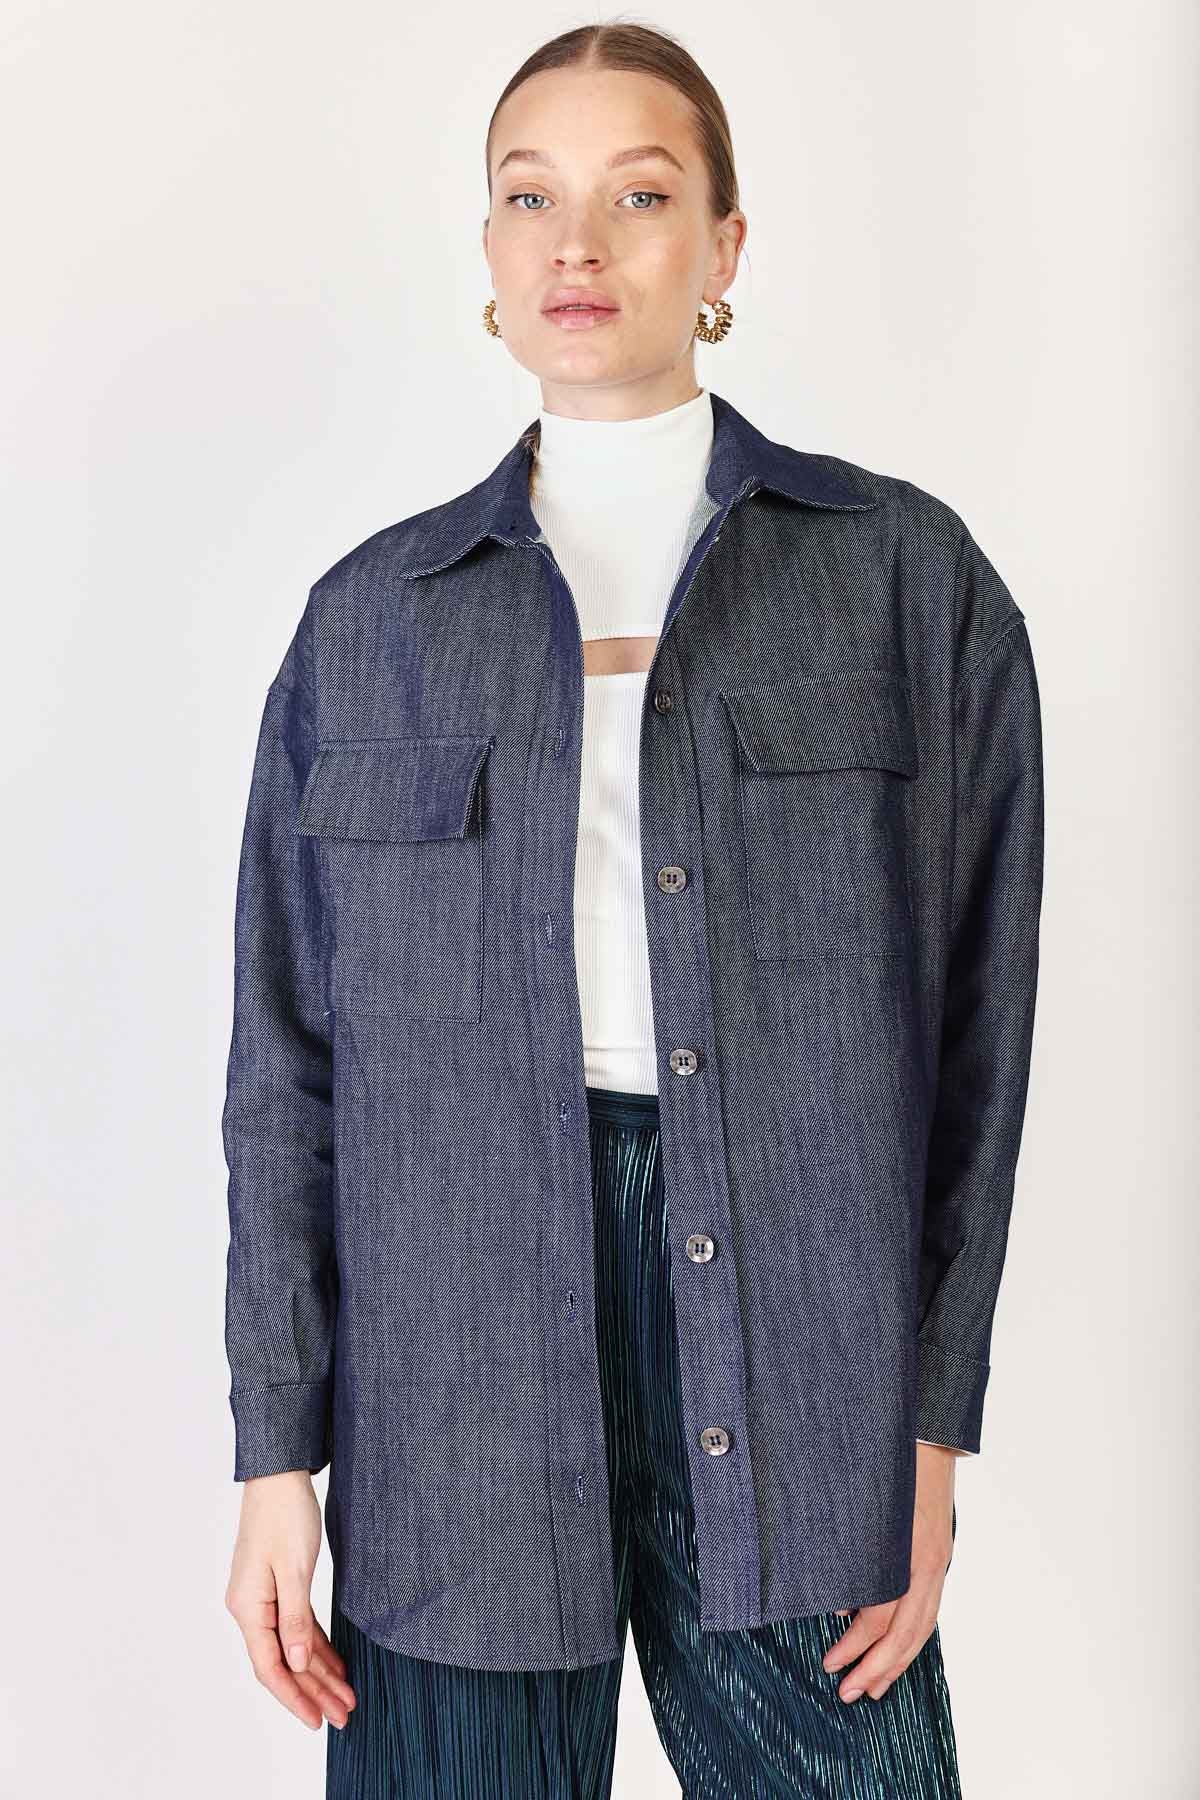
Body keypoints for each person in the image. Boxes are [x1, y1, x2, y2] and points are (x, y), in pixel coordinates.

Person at [221, 22, 1044, 1799]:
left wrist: (931, 1427)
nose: (578, 244)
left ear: (725, 244)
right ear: (488, 250)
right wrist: (277, 1459)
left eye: (641, 196)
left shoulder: (908, 583)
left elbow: (981, 1046)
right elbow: (286, 1075)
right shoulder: (370, 622)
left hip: (806, 1363)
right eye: (532, 198)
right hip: (452, 1387)